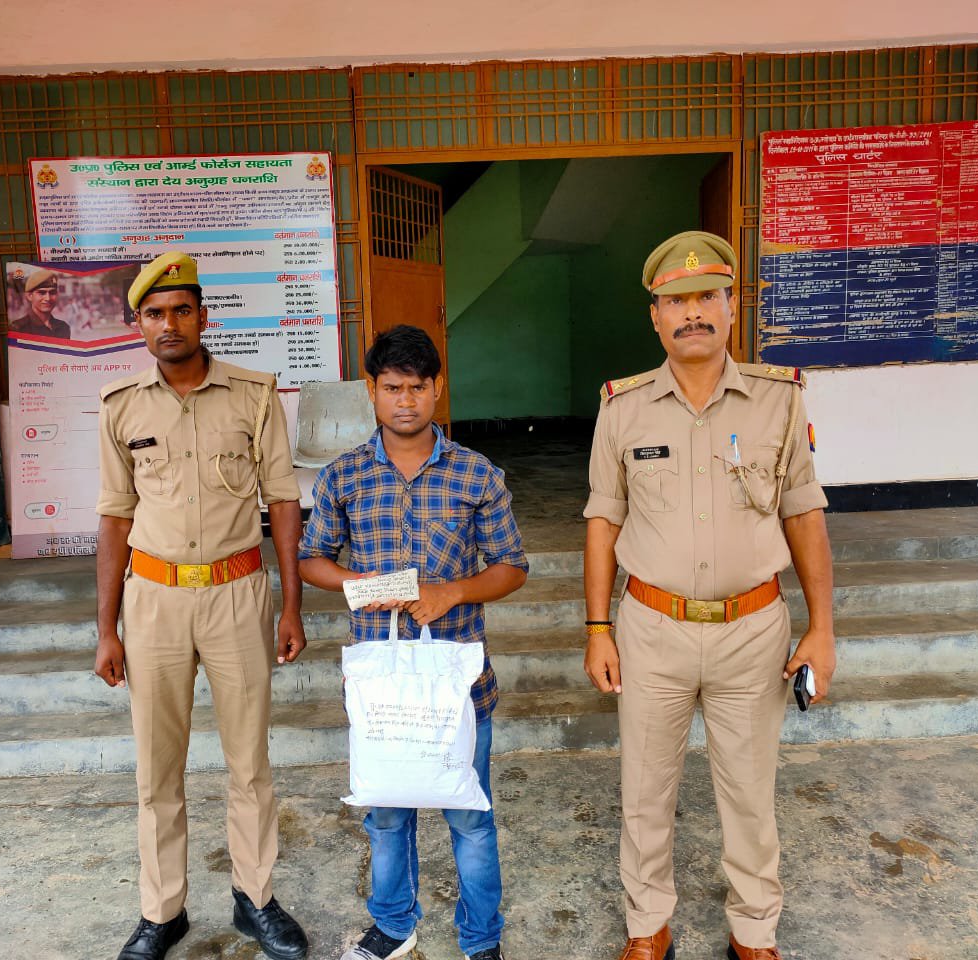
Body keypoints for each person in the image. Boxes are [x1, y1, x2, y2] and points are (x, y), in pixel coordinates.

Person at [582, 231, 836, 960]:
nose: (691, 313)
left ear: (731, 307)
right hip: (651, 628)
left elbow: (803, 515)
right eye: (675, 301)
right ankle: (647, 925)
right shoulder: (622, 407)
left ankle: (754, 931)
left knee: (751, 795)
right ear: (655, 317)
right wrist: (598, 628)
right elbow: (603, 520)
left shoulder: (778, 401)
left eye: (706, 297)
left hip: (752, 630)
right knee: (644, 792)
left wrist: (821, 628)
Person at [94, 251, 310, 960]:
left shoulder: (254, 395)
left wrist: (290, 606)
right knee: (157, 768)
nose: (170, 324)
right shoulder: (121, 407)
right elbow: (115, 519)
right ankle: (162, 912)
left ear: (203, 317)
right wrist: (106, 629)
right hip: (153, 601)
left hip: (237, 596)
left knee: (249, 762)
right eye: (155, 313)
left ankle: (256, 899)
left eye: (182, 310)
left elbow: (283, 501)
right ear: (140, 324)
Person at [298, 325, 529, 960]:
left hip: (458, 686)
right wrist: (361, 583)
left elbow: (512, 567)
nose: (405, 401)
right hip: (381, 683)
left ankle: (481, 939)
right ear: (372, 391)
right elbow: (311, 559)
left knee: (471, 820)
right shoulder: (344, 476)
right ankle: (394, 926)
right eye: (392, 388)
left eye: (417, 388)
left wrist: (452, 591)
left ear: (437, 390)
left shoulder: (476, 474)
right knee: (387, 816)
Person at [9, 269, 71, 339]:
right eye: (42, 293)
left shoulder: (63, 328)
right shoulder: (18, 329)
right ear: (29, 296)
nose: (48, 298)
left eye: (52, 292)